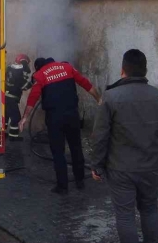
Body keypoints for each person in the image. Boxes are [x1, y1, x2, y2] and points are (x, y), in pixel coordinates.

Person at [90, 50, 158, 243]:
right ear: (145, 70)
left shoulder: (110, 97)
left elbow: (100, 137)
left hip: (120, 169)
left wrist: (97, 165)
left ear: (123, 69)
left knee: (125, 215)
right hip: (150, 167)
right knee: (150, 209)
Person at [19, 57, 102, 194]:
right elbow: (85, 83)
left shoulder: (40, 75)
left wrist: (24, 118)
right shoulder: (67, 67)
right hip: (72, 115)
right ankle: (80, 181)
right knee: (76, 148)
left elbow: (33, 96)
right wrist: (99, 99)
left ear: (38, 67)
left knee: (58, 152)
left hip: (54, 118)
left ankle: (62, 187)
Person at [5, 54, 32, 141]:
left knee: (6, 116)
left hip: (6, 96)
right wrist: (32, 82)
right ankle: (13, 136)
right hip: (12, 97)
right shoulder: (19, 71)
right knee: (16, 117)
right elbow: (24, 86)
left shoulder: (10, 68)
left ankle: (2, 133)